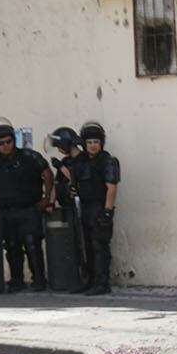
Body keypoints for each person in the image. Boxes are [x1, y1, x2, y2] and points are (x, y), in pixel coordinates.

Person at [0, 116, 54, 291]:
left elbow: (47, 173)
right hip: (4, 211)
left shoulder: (30, 157)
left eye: (9, 141)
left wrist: (47, 198)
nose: (6, 145)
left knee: (32, 244)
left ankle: (39, 280)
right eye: (1, 143)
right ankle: (17, 280)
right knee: (11, 245)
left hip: (29, 208)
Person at [68, 120, 120, 295]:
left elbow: (111, 187)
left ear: (101, 143)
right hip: (83, 207)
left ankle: (102, 283)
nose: (92, 145)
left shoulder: (107, 161)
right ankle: (88, 281)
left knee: (99, 247)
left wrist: (107, 211)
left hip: (99, 208)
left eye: (96, 142)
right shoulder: (81, 160)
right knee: (85, 246)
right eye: (89, 142)